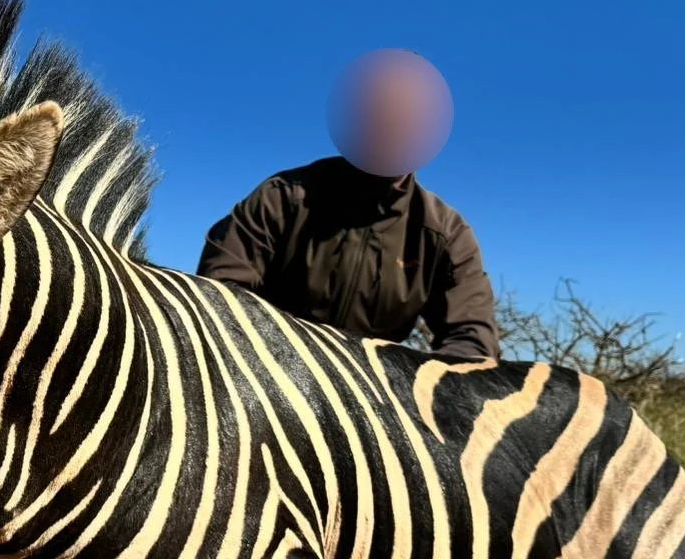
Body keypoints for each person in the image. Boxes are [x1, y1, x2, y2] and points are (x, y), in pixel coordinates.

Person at [198, 49, 500, 360]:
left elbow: (472, 344)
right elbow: (219, 291)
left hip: (378, 394)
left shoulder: (445, 234)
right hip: (272, 375)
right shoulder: (284, 197)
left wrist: (401, 386)